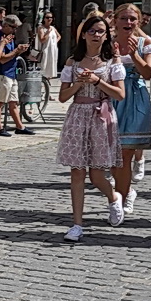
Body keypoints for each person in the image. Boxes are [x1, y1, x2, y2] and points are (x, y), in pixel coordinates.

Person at [55, 14, 127, 242]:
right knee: (77, 171)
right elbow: (62, 97)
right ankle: (77, 223)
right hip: (78, 115)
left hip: (101, 116)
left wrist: (98, 82)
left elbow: (120, 94)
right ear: (84, 34)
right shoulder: (72, 62)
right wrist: (79, 83)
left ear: (106, 36)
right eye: (93, 31)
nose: (97, 35)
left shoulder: (111, 62)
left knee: (97, 174)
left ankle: (113, 197)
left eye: (101, 31)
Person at [110, 4, 151, 214]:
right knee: (111, 154)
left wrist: (133, 55)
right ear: (116, 20)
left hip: (134, 97)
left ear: (138, 21)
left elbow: (149, 73)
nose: (128, 23)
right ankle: (125, 192)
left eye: (132, 19)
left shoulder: (145, 43)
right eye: (124, 18)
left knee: (125, 153)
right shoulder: (106, 42)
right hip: (110, 95)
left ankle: (120, 199)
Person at [0, 14, 32, 136]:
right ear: (5, 25)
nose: (15, 30)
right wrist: (17, 51)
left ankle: (20, 126)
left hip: (11, 73)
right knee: (0, 103)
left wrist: (19, 50)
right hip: (3, 74)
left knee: (13, 102)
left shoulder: (9, 37)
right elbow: (2, 59)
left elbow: (11, 55)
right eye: (13, 27)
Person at [36, 10, 61, 114]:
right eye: (47, 17)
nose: (49, 19)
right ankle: (40, 92)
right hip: (45, 51)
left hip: (53, 51)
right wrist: (47, 33)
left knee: (50, 74)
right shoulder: (41, 28)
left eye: (50, 17)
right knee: (43, 71)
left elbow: (59, 36)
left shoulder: (53, 28)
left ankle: (48, 93)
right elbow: (42, 39)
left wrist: (54, 42)